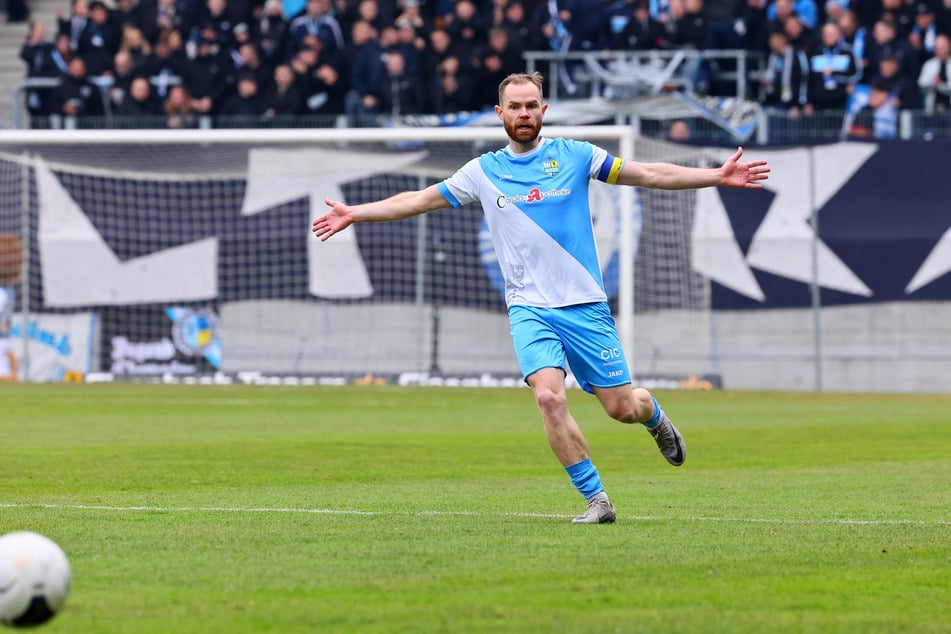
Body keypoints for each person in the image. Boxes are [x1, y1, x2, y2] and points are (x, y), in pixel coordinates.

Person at [312, 72, 770, 524]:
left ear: (544, 110)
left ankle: (652, 415)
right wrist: (356, 212)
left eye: (531, 105)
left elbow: (648, 172)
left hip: (585, 305)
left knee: (622, 408)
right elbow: (417, 199)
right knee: (549, 399)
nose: (524, 113)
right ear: (500, 114)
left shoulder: (576, 156)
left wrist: (715, 175)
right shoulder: (483, 172)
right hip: (530, 310)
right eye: (515, 107)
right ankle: (597, 500)